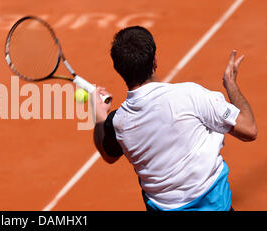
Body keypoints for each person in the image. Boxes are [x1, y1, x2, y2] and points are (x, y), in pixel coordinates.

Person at [92, 26, 257, 211]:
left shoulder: (117, 123)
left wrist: (99, 116)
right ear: (154, 61)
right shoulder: (190, 95)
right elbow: (249, 129)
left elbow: (107, 154)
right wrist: (231, 84)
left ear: (118, 69)